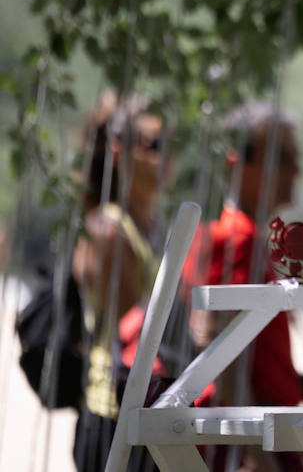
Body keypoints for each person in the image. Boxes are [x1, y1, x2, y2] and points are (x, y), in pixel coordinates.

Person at [183, 101, 303, 472]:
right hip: (250, 442)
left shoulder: (245, 236)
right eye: (283, 157)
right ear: (239, 162)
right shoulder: (237, 238)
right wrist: (254, 449)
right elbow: (220, 345)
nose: (296, 170)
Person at [69, 92, 172, 472]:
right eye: (155, 145)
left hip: (147, 408)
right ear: (118, 151)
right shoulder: (107, 231)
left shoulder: (152, 229)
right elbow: (136, 333)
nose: (168, 157)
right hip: (113, 414)